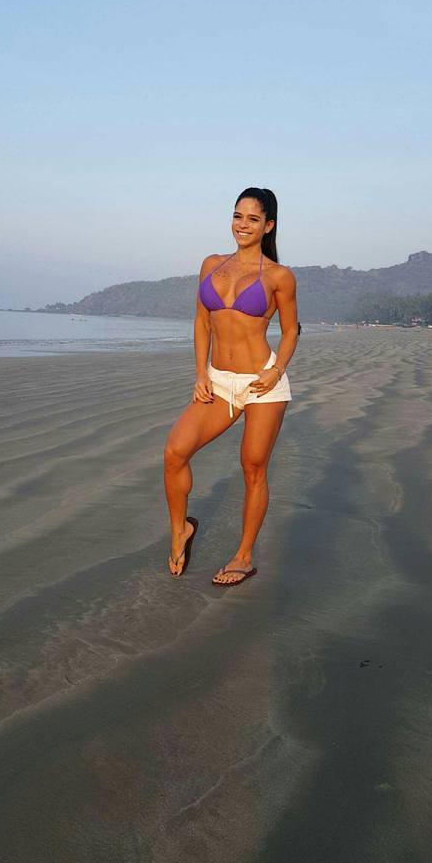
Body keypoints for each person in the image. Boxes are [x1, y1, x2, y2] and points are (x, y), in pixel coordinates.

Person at [163, 187, 299, 586]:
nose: (243, 225)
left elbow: (291, 330)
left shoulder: (279, 276)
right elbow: (202, 322)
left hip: (262, 384)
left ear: (268, 226)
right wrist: (200, 374)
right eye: (238, 216)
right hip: (219, 382)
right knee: (175, 451)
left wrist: (277, 370)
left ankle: (243, 556)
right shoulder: (211, 264)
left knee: (253, 468)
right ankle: (180, 530)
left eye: (253, 219)